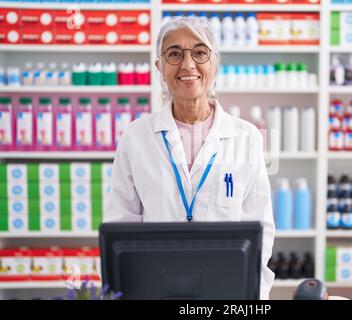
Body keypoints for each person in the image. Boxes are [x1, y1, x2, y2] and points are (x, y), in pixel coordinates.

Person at [104, 16, 275, 299]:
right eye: (174, 54)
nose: (187, 64)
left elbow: (261, 229)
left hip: (226, 290)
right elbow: (120, 227)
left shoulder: (247, 137)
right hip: (154, 288)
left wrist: (249, 294)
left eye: (199, 52)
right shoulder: (135, 137)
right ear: (159, 66)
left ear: (214, 63)